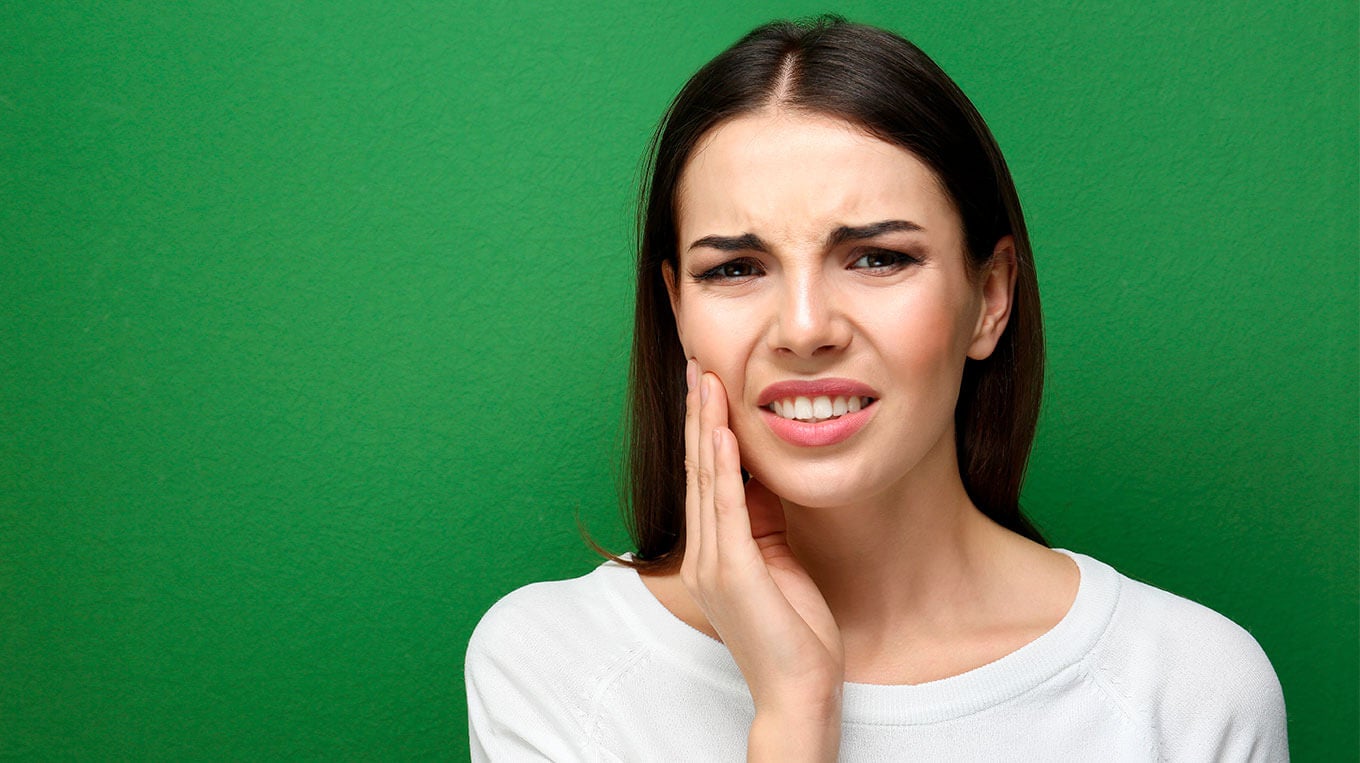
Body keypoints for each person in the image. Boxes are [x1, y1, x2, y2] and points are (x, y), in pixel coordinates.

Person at [465, 16, 1287, 761]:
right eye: (737, 268)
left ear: (990, 298)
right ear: (678, 309)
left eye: (877, 257)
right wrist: (794, 713)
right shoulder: (553, 666)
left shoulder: (1189, 688)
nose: (805, 326)